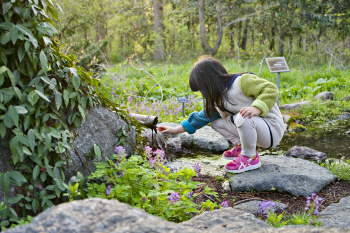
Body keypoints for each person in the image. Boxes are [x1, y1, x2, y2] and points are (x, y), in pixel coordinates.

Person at [158, 56, 285, 174]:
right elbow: (203, 116)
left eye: (203, 89)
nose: (202, 94)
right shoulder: (218, 99)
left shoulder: (243, 81)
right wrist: (176, 130)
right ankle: (241, 146)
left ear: (210, 81)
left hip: (271, 130)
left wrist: (257, 108)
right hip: (255, 129)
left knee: (242, 116)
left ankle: (250, 157)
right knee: (216, 122)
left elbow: (270, 89)